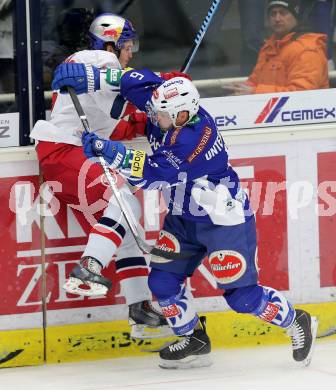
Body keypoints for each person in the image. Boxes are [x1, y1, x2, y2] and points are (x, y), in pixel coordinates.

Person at [51, 63, 319, 369]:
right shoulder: (169, 107)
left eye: (161, 116)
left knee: (242, 297)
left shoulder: (193, 140)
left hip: (221, 222)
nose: (154, 118)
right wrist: (94, 77)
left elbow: (152, 176)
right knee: (163, 282)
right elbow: (142, 81)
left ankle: (297, 320)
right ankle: (193, 339)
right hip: (182, 220)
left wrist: (109, 150)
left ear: (181, 116)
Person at [30, 13, 179, 339]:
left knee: (126, 227)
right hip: (65, 152)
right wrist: (165, 81)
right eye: (128, 46)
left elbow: (109, 120)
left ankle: (140, 308)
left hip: (69, 155)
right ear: (112, 41)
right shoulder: (96, 58)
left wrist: (141, 122)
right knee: (125, 201)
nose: (130, 54)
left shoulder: (98, 67)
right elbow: (118, 82)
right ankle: (88, 268)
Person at [224, 0, 329, 95]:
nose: (277, 19)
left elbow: (302, 94)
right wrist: (239, 89)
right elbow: (254, 82)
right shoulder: (268, 47)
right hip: (271, 111)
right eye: (273, 14)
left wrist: (254, 92)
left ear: (296, 16)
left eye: (283, 13)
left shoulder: (308, 49)